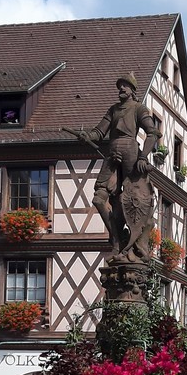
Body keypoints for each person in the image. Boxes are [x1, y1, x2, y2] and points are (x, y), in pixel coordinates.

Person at [73, 72, 161, 258]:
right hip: (112, 155)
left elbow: (152, 133)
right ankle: (117, 236)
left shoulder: (139, 108)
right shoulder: (113, 110)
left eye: (125, 85)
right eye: (120, 85)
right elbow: (99, 132)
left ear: (132, 90)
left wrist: (143, 157)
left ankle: (135, 241)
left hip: (131, 153)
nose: (121, 88)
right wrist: (88, 136)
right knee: (99, 199)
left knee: (134, 198)